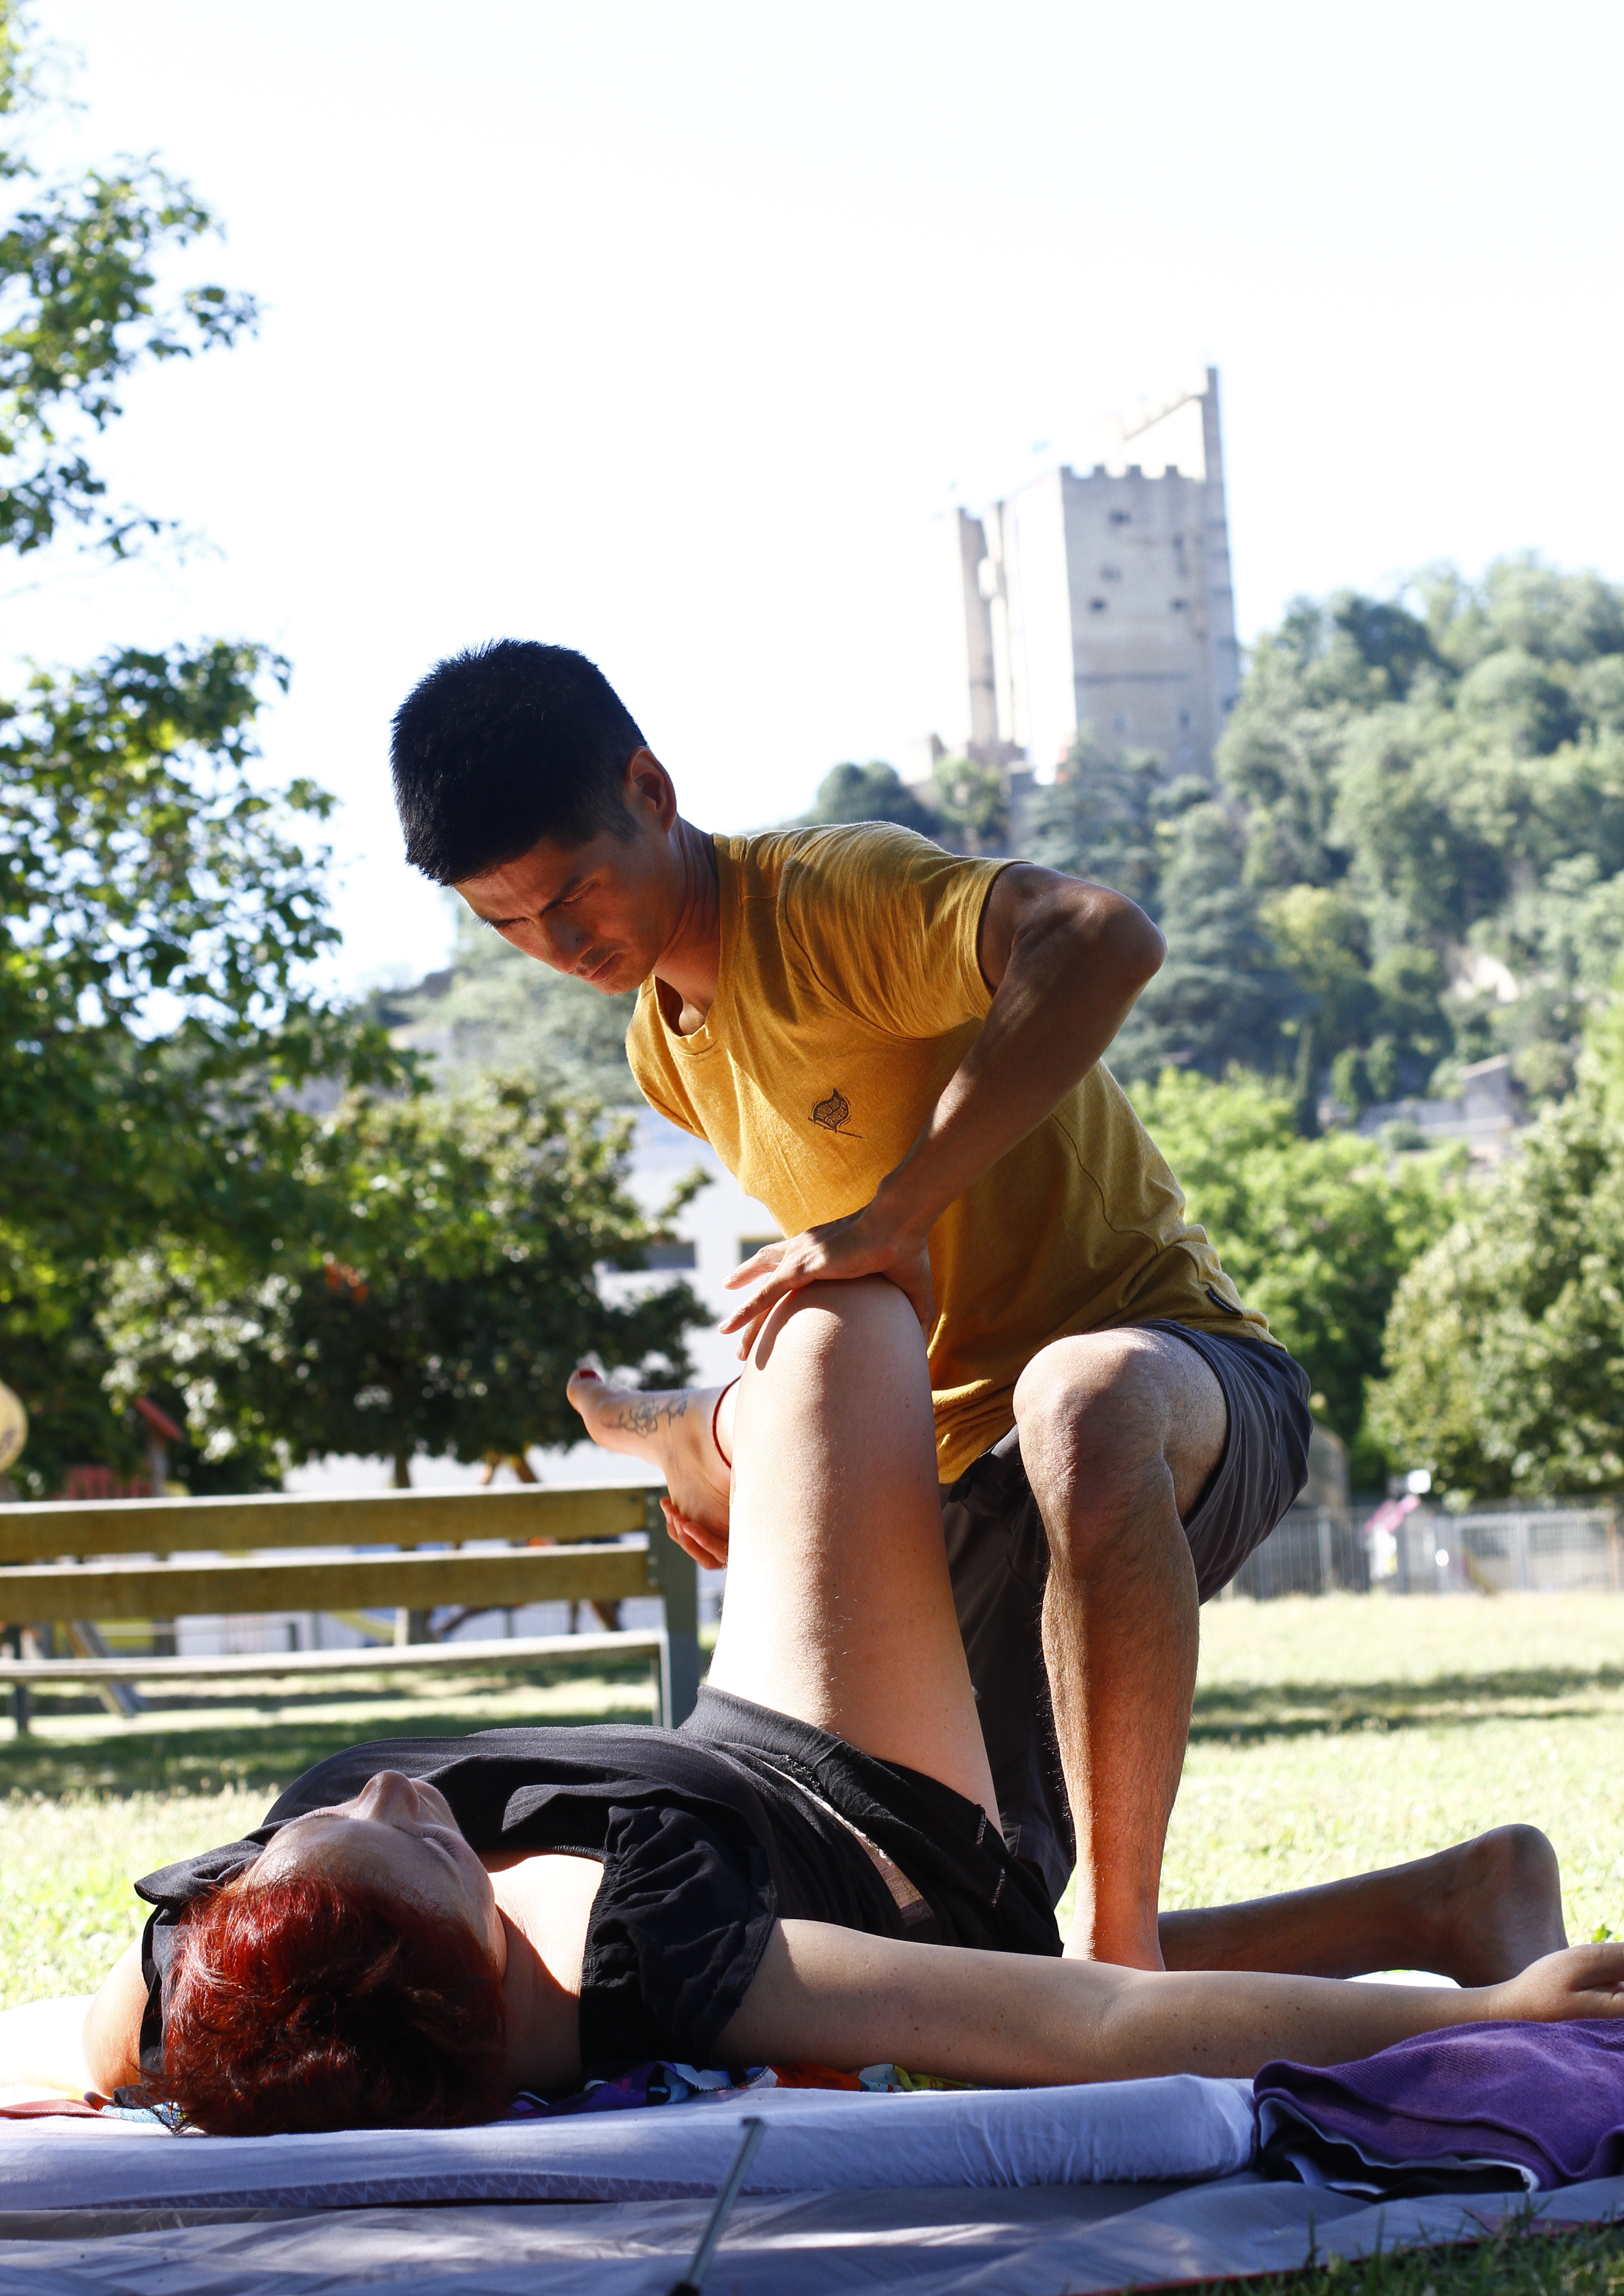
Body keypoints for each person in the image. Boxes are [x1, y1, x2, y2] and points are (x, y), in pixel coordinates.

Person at [1, 1278, 1607, 2136]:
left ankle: (1453, 1893)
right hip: (864, 1810)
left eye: (318, 1825)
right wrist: (1485, 2022)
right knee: (842, 1329)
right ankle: (724, 1436)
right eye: (404, 1849)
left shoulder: (185, 1986)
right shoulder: (673, 1970)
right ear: (469, 1986)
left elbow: (85, 2058)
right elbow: (1088, 2022)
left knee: (820, 1365)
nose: (386, 1795)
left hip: (717, 1742)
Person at [387, 639, 1312, 1963]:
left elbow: (1104, 938)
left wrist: (898, 1207)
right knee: (935, 1935)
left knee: (1078, 1394)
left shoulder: (829, 896)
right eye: (507, 923)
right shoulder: (665, 1049)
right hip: (959, 1488)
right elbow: (876, 1294)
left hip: (1180, 1380)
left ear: (651, 791)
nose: (559, 944)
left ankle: (1128, 1959)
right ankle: (1455, 1902)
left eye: (578, 891)